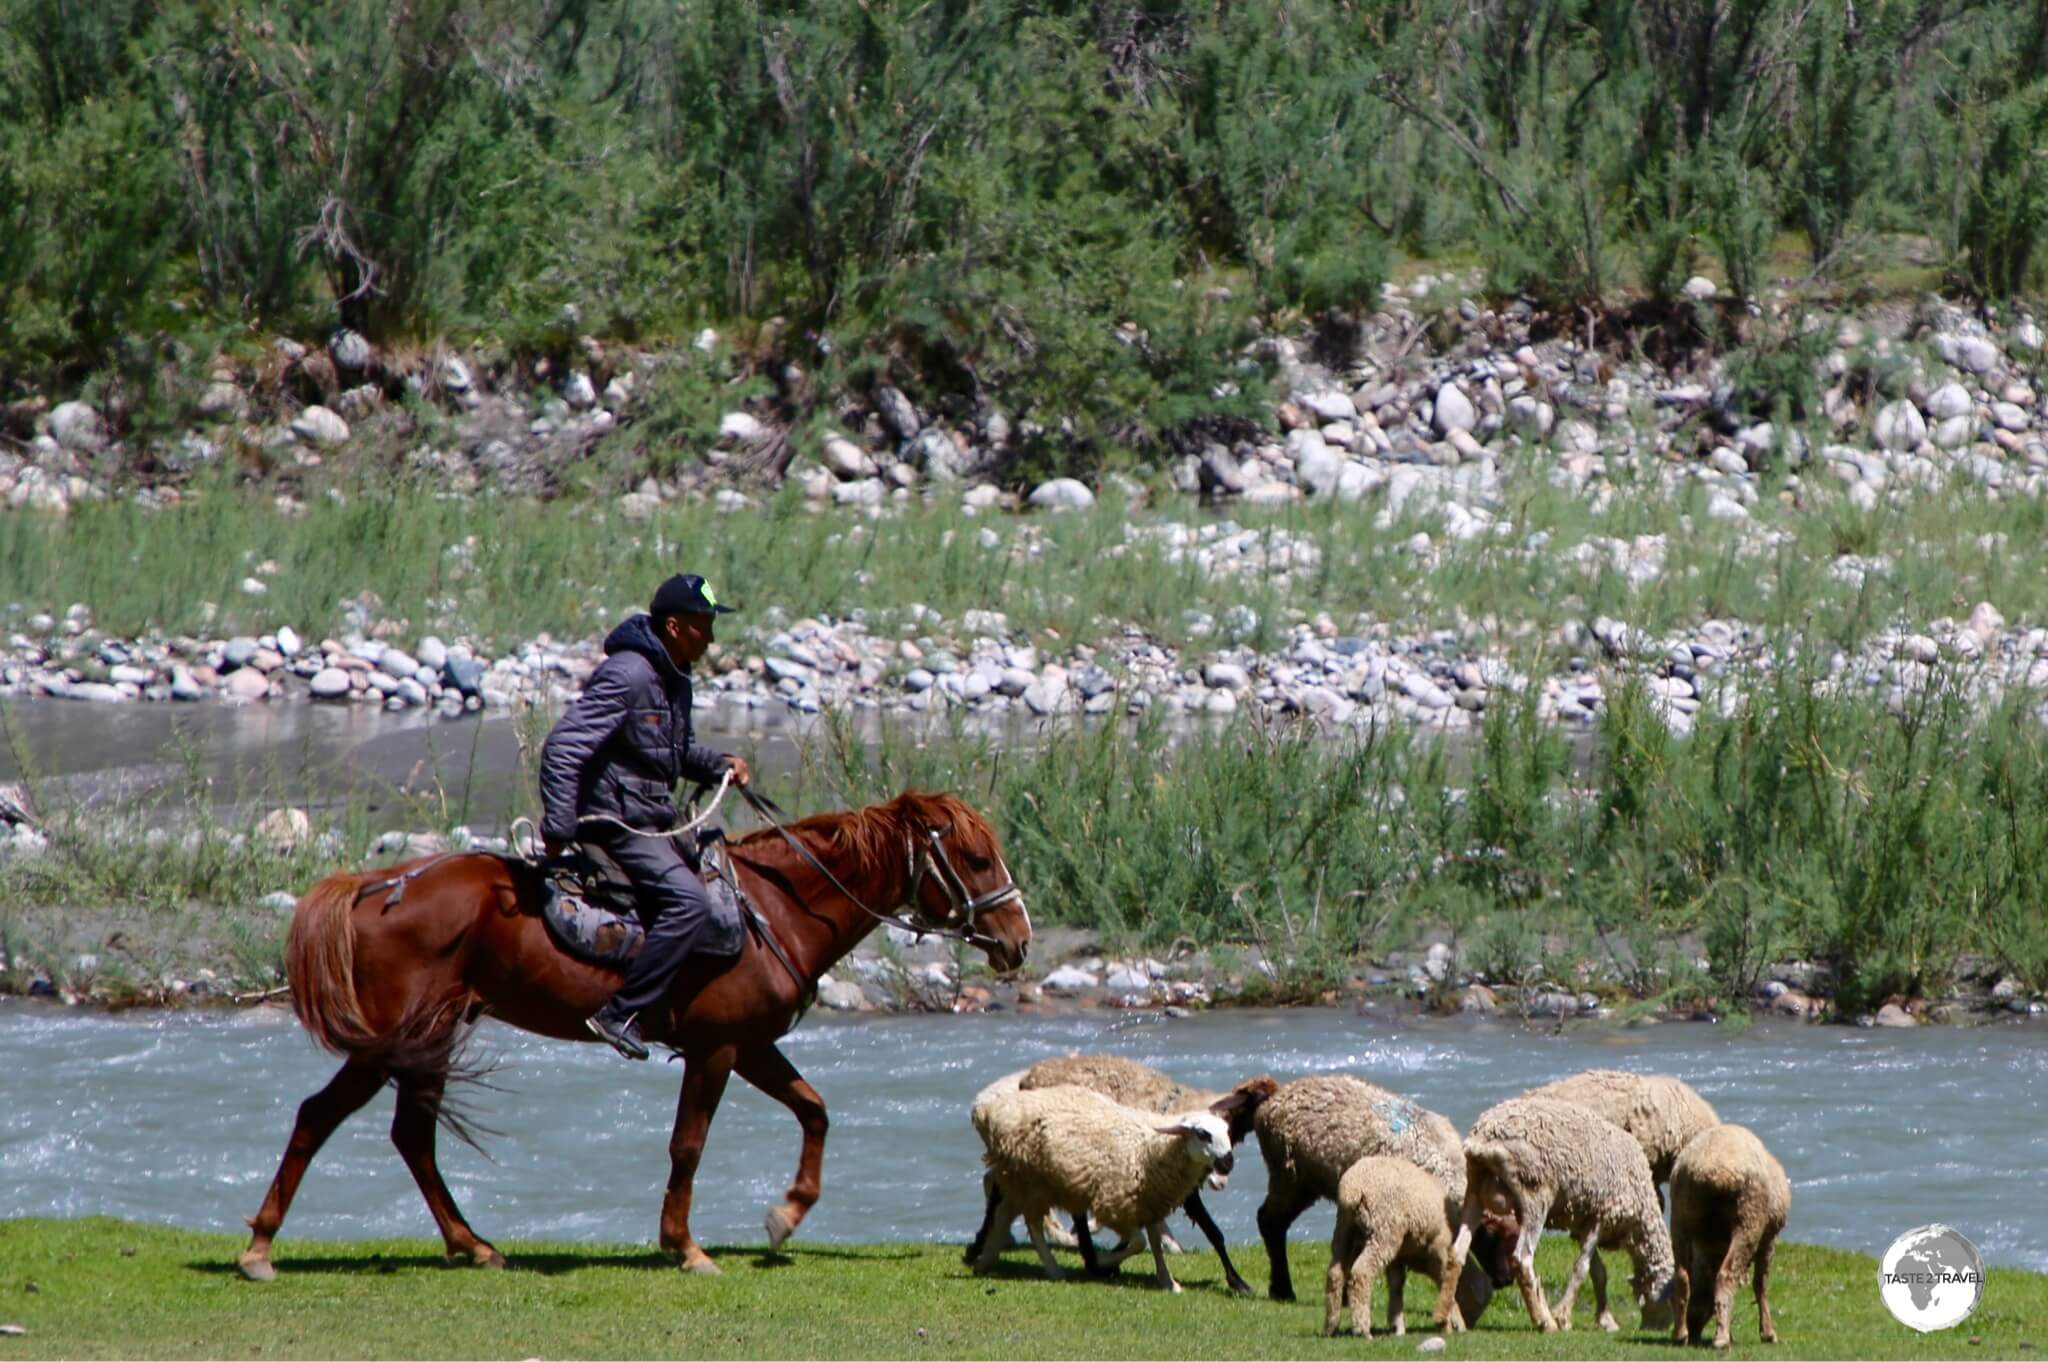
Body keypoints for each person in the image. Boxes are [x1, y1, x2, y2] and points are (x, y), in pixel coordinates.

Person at [539, 572, 754, 1060]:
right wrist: (558, 826)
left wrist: (720, 764)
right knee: (689, 904)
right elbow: (563, 747)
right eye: (704, 626)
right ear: (675, 627)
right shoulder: (630, 674)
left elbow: (675, 751)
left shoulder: (674, 675)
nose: (712, 638)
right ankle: (622, 1013)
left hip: (650, 815)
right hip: (615, 820)